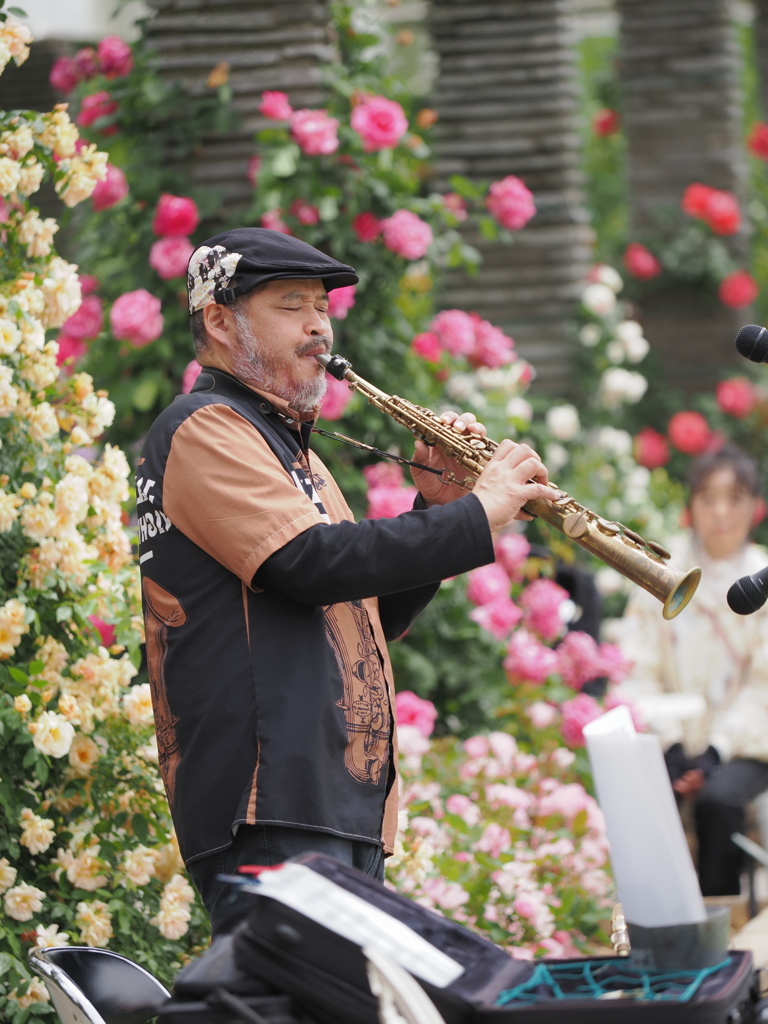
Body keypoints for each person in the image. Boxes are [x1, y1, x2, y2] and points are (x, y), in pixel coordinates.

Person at [137, 227, 552, 933]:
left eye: (323, 309)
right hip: (269, 803)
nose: (318, 327)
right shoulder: (204, 427)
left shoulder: (290, 452)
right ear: (217, 318)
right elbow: (307, 564)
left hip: (328, 802)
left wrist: (438, 510)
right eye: (292, 305)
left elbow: (361, 614)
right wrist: (480, 515)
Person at [617, 444, 768, 896]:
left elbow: (763, 685)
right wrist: (673, 742)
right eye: (708, 497)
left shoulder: (761, 575)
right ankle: (655, 927)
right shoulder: (661, 570)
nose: (721, 511)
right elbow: (636, 666)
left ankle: (719, 924)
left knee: (719, 802)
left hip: (747, 744)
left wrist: (718, 750)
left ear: (756, 507)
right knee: (641, 799)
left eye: (735, 498)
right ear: (691, 506)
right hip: (671, 738)